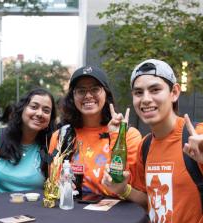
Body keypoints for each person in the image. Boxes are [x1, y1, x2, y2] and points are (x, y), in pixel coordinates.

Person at [102, 59, 203, 223]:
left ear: (174, 92)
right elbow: (151, 201)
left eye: (155, 89)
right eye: (138, 93)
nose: (146, 99)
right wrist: (123, 189)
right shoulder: (145, 146)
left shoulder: (197, 137)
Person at [48, 66, 142, 196]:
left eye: (95, 89)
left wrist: (116, 136)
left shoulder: (129, 135)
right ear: (72, 97)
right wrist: (59, 185)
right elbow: (54, 182)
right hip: (72, 212)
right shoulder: (61, 136)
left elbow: (127, 183)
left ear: (106, 94)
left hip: (117, 214)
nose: (88, 95)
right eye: (81, 91)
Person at [0, 88, 56, 196]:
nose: (39, 113)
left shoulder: (51, 147)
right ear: (22, 109)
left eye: (46, 110)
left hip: (35, 212)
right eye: (34, 107)